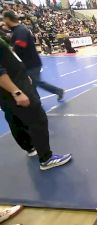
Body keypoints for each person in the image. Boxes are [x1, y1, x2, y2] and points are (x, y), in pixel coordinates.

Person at [0, 36, 72, 170]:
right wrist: (16, 91)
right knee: (38, 118)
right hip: (14, 86)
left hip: (12, 85)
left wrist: (22, 74)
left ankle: (29, 147)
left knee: (14, 118)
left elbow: (8, 58)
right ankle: (46, 158)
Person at [3, 11, 64, 101]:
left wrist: (11, 53)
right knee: (34, 83)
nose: (3, 22)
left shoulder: (20, 30)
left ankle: (39, 101)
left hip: (31, 64)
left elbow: (20, 45)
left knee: (33, 83)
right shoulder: (17, 30)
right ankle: (52, 94)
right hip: (29, 63)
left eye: (4, 19)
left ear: (8, 19)